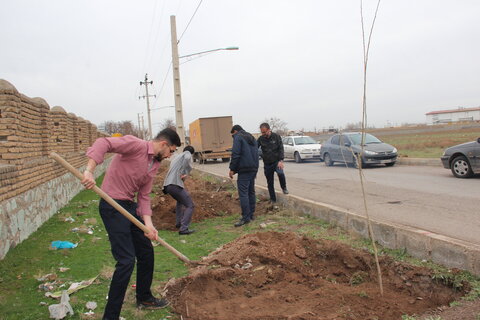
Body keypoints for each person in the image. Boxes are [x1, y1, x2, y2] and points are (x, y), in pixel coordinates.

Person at [81, 128, 181, 320]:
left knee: (146, 252)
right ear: (163, 144)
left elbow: (143, 195)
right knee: (126, 261)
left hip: (129, 207)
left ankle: (144, 298)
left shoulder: (154, 164)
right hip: (112, 205)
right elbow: (104, 143)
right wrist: (89, 171)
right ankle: (110, 316)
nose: (170, 156)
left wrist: (149, 224)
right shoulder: (135, 145)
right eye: (172, 151)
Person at [229, 125, 259, 227]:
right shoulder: (251, 137)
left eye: (232, 135)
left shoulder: (238, 137)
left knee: (243, 194)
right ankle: (251, 215)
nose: (233, 137)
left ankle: (246, 217)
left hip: (245, 170)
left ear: (235, 131)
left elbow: (236, 154)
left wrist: (232, 169)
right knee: (251, 192)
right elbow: (256, 153)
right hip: (254, 168)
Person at [163, 145, 196, 235]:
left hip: (168, 185)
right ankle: (183, 229)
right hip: (174, 184)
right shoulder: (186, 154)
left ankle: (179, 223)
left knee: (180, 201)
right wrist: (184, 172)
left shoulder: (176, 158)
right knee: (190, 205)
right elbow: (187, 157)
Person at [257, 122, 288, 203]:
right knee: (270, 183)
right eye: (262, 132)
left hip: (276, 162)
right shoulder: (261, 139)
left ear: (269, 130)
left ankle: (284, 187)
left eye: (264, 132)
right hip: (267, 164)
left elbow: (281, 149)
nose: (263, 134)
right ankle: (273, 199)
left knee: (280, 173)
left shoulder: (276, 137)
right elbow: (254, 147)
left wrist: (281, 161)